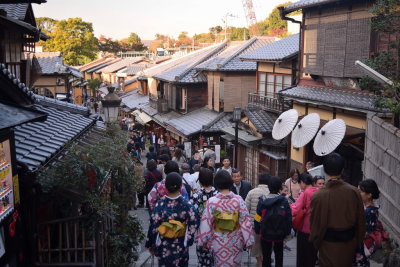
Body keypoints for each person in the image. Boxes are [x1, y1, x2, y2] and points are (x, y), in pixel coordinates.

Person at [309, 153, 366, 267]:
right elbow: (361, 222)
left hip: (327, 244)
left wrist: (316, 242)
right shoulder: (354, 192)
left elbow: (315, 225)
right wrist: (356, 242)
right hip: (349, 245)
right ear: (342, 170)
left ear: (324, 170)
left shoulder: (318, 196)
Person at [196, 170, 254, 266]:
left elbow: (206, 222)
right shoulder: (238, 200)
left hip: (219, 241)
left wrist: (202, 241)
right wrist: (249, 240)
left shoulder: (212, 201)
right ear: (230, 182)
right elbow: (245, 221)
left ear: (216, 184)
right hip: (236, 241)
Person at [145, 172, 200, 267]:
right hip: (181, 245)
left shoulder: (160, 204)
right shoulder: (187, 205)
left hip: (164, 245)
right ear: (180, 187)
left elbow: (153, 225)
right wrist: (188, 238)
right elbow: (195, 221)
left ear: (165, 187)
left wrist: (151, 244)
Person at [255, 176, 292, 267]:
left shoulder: (262, 200)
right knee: (279, 255)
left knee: (266, 255)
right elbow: (288, 218)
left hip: (265, 232)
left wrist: (257, 229)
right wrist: (287, 232)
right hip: (280, 233)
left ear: (268, 187)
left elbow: (257, 217)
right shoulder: (284, 200)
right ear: (280, 187)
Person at [353, 179, 387, 267]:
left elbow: (365, 232)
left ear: (369, 195)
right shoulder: (371, 208)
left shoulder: (369, 211)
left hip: (362, 245)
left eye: (360, 191)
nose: (358, 193)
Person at [190, 168, 217, 267]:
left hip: (201, 232)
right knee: (215, 260)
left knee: (202, 261)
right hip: (217, 233)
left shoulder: (196, 195)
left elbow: (192, 214)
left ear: (200, 180)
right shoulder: (218, 195)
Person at [291, 173, 319, 267]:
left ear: (303, 182)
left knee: (303, 256)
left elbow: (295, 208)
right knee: (312, 256)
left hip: (305, 228)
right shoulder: (319, 191)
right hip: (317, 229)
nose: (300, 186)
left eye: (300, 183)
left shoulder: (305, 193)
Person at [245, 173, 271, 267]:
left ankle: (259, 263)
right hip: (269, 224)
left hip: (255, 223)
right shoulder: (271, 192)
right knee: (268, 244)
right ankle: (265, 260)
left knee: (256, 245)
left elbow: (246, 209)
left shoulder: (252, 192)